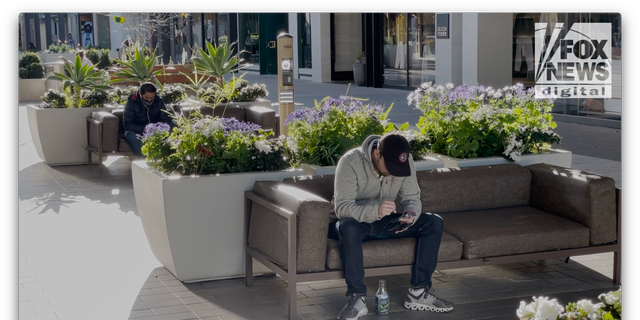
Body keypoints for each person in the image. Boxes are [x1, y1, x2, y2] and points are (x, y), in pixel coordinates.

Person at [330, 133, 454, 320]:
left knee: (433, 221)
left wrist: (411, 214)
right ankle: (357, 298)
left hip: (385, 220)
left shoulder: (406, 161)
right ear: (377, 154)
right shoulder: (350, 162)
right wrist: (375, 211)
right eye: (390, 167)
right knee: (348, 228)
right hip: (354, 221)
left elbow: (412, 198)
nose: (394, 172)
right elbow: (342, 208)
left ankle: (419, 292)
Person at [123, 82, 176, 157]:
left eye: (152, 98)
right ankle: (144, 158)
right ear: (140, 94)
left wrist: (159, 127)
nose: (149, 100)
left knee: (173, 126)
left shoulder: (159, 101)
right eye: (147, 98)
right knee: (130, 134)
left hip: (156, 130)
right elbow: (127, 124)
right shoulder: (132, 102)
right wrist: (143, 128)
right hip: (137, 130)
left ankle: (167, 156)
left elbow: (164, 118)